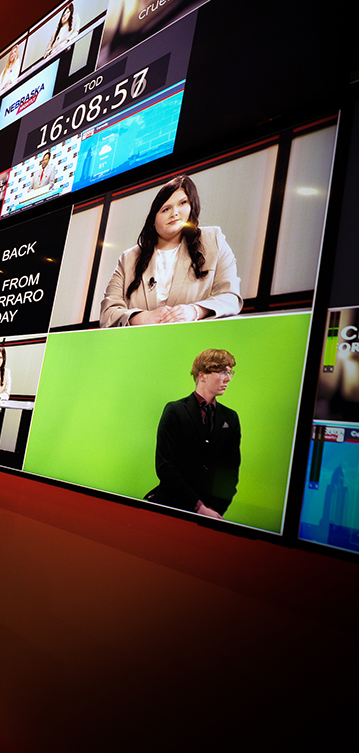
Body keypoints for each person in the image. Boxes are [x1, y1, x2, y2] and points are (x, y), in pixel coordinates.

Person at [100, 175, 241, 327]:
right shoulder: (129, 258)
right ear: (153, 220)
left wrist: (194, 311)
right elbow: (108, 312)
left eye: (182, 203)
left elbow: (230, 297)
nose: (174, 213)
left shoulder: (214, 240)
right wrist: (141, 317)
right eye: (166, 209)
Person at [146, 349, 240, 518]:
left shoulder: (230, 417)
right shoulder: (175, 410)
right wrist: (198, 507)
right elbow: (165, 466)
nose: (227, 378)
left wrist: (215, 509)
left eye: (229, 372)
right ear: (202, 375)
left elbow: (230, 471)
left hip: (211, 513)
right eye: (221, 372)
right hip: (172, 507)